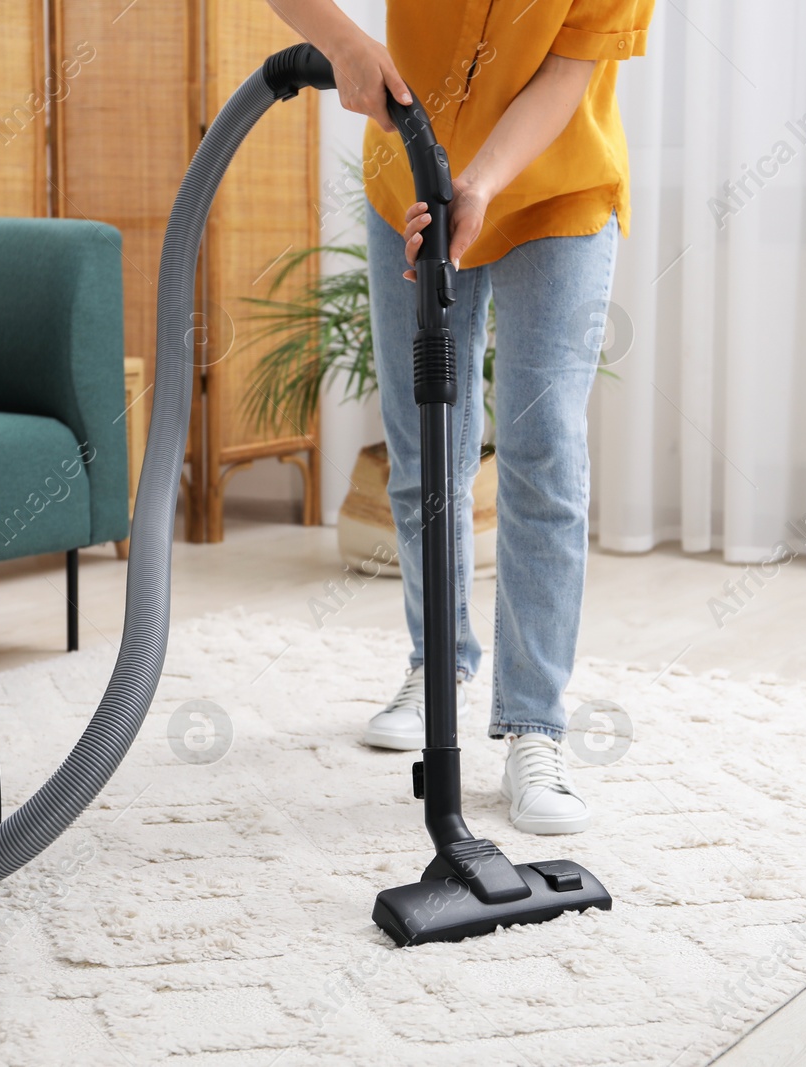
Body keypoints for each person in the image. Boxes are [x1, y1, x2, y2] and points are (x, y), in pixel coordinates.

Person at [267, 0, 653, 834]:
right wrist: (341, 41)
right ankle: (436, 664)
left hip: (557, 187)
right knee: (422, 441)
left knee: (542, 443)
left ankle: (534, 727)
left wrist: (478, 183)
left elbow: (566, 71)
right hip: (409, 179)